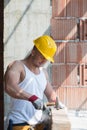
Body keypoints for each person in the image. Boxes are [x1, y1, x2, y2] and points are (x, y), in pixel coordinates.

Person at [4, 35, 65, 130]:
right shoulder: (17, 66)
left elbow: (51, 95)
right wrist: (32, 98)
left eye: (46, 58)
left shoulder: (43, 73)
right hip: (18, 123)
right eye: (42, 56)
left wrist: (58, 102)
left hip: (38, 124)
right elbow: (9, 87)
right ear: (33, 51)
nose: (44, 60)